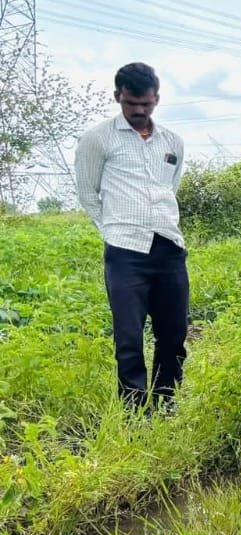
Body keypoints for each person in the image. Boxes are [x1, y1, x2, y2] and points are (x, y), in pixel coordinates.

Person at [74, 62, 189, 411]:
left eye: (146, 104)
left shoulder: (172, 141)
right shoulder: (98, 139)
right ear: (117, 97)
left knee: (173, 334)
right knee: (129, 337)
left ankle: (166, 404)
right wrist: (112, 230)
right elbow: (88, 193)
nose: (139, 110)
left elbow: (170, 187)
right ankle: (134, 412)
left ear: (157, 99)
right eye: (131, 103)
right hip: (125, 252)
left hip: (169, 247)